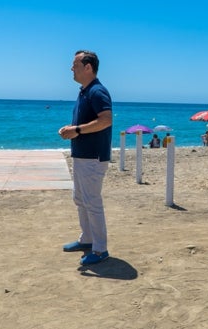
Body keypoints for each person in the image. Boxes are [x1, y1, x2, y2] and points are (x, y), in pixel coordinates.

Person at [59, 50, 113, 265]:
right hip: (82, 156)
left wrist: (77, 130)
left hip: (93, 157)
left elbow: (106, 120)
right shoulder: (85, 91)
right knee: (80, 199)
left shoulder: (97, 91)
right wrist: (71, 129)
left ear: (88, 67)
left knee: (92, 202)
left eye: (75, 65)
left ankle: (100, 250)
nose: (72, 68)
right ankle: (87, 239)